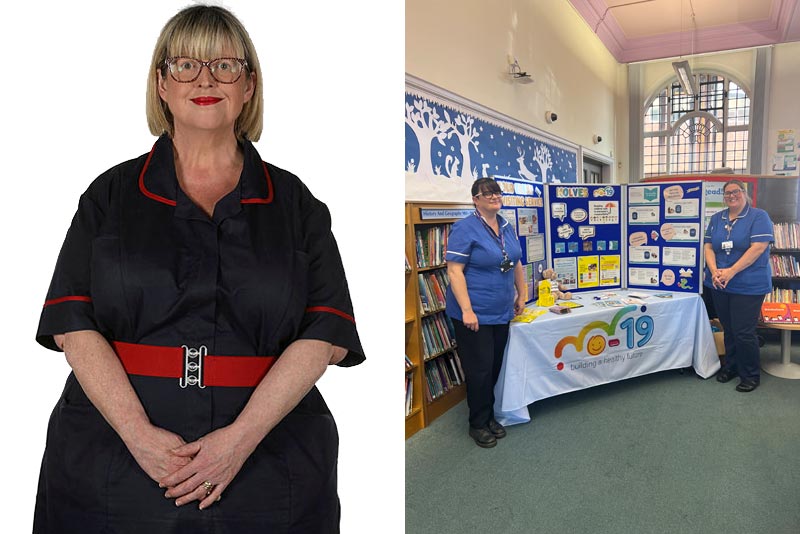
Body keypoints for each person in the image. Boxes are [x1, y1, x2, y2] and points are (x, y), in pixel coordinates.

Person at [34, 5, 364, 532]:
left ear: (249, 86)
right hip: (114, 461)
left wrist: (239, 441)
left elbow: (326, 332)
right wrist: (138, 435)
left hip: (267, 462)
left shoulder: (297, 204)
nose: (206, 79)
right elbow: (73, 324)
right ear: (161, 84)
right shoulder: (109, 196)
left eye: (226, 66)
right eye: (185, 65)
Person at [445, 178, 526, 448]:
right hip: (474, 313)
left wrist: (522, 293)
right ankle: (477, 423)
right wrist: (467, 310)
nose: (494, 197)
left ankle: (489, 415)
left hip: (501, 311)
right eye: (487, 193)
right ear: (475, 199)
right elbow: (454, 271)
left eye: (497, 192)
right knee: (478, 370)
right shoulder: (464, 228)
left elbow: (516, 262)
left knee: (493, 366)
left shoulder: (506, 225)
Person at [703, 179, 773, 392]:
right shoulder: (717, 218)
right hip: (720, 284)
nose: (731, 196)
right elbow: (708, 247)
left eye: (736, 192)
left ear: (744, 193)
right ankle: (731, 366)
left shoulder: (758, 216)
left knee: (744, 331)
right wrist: (715, 271)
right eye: (727, 193)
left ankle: (750, 374)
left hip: (748, 285)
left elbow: (757, 248)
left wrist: (731, 271)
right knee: (729, 329)